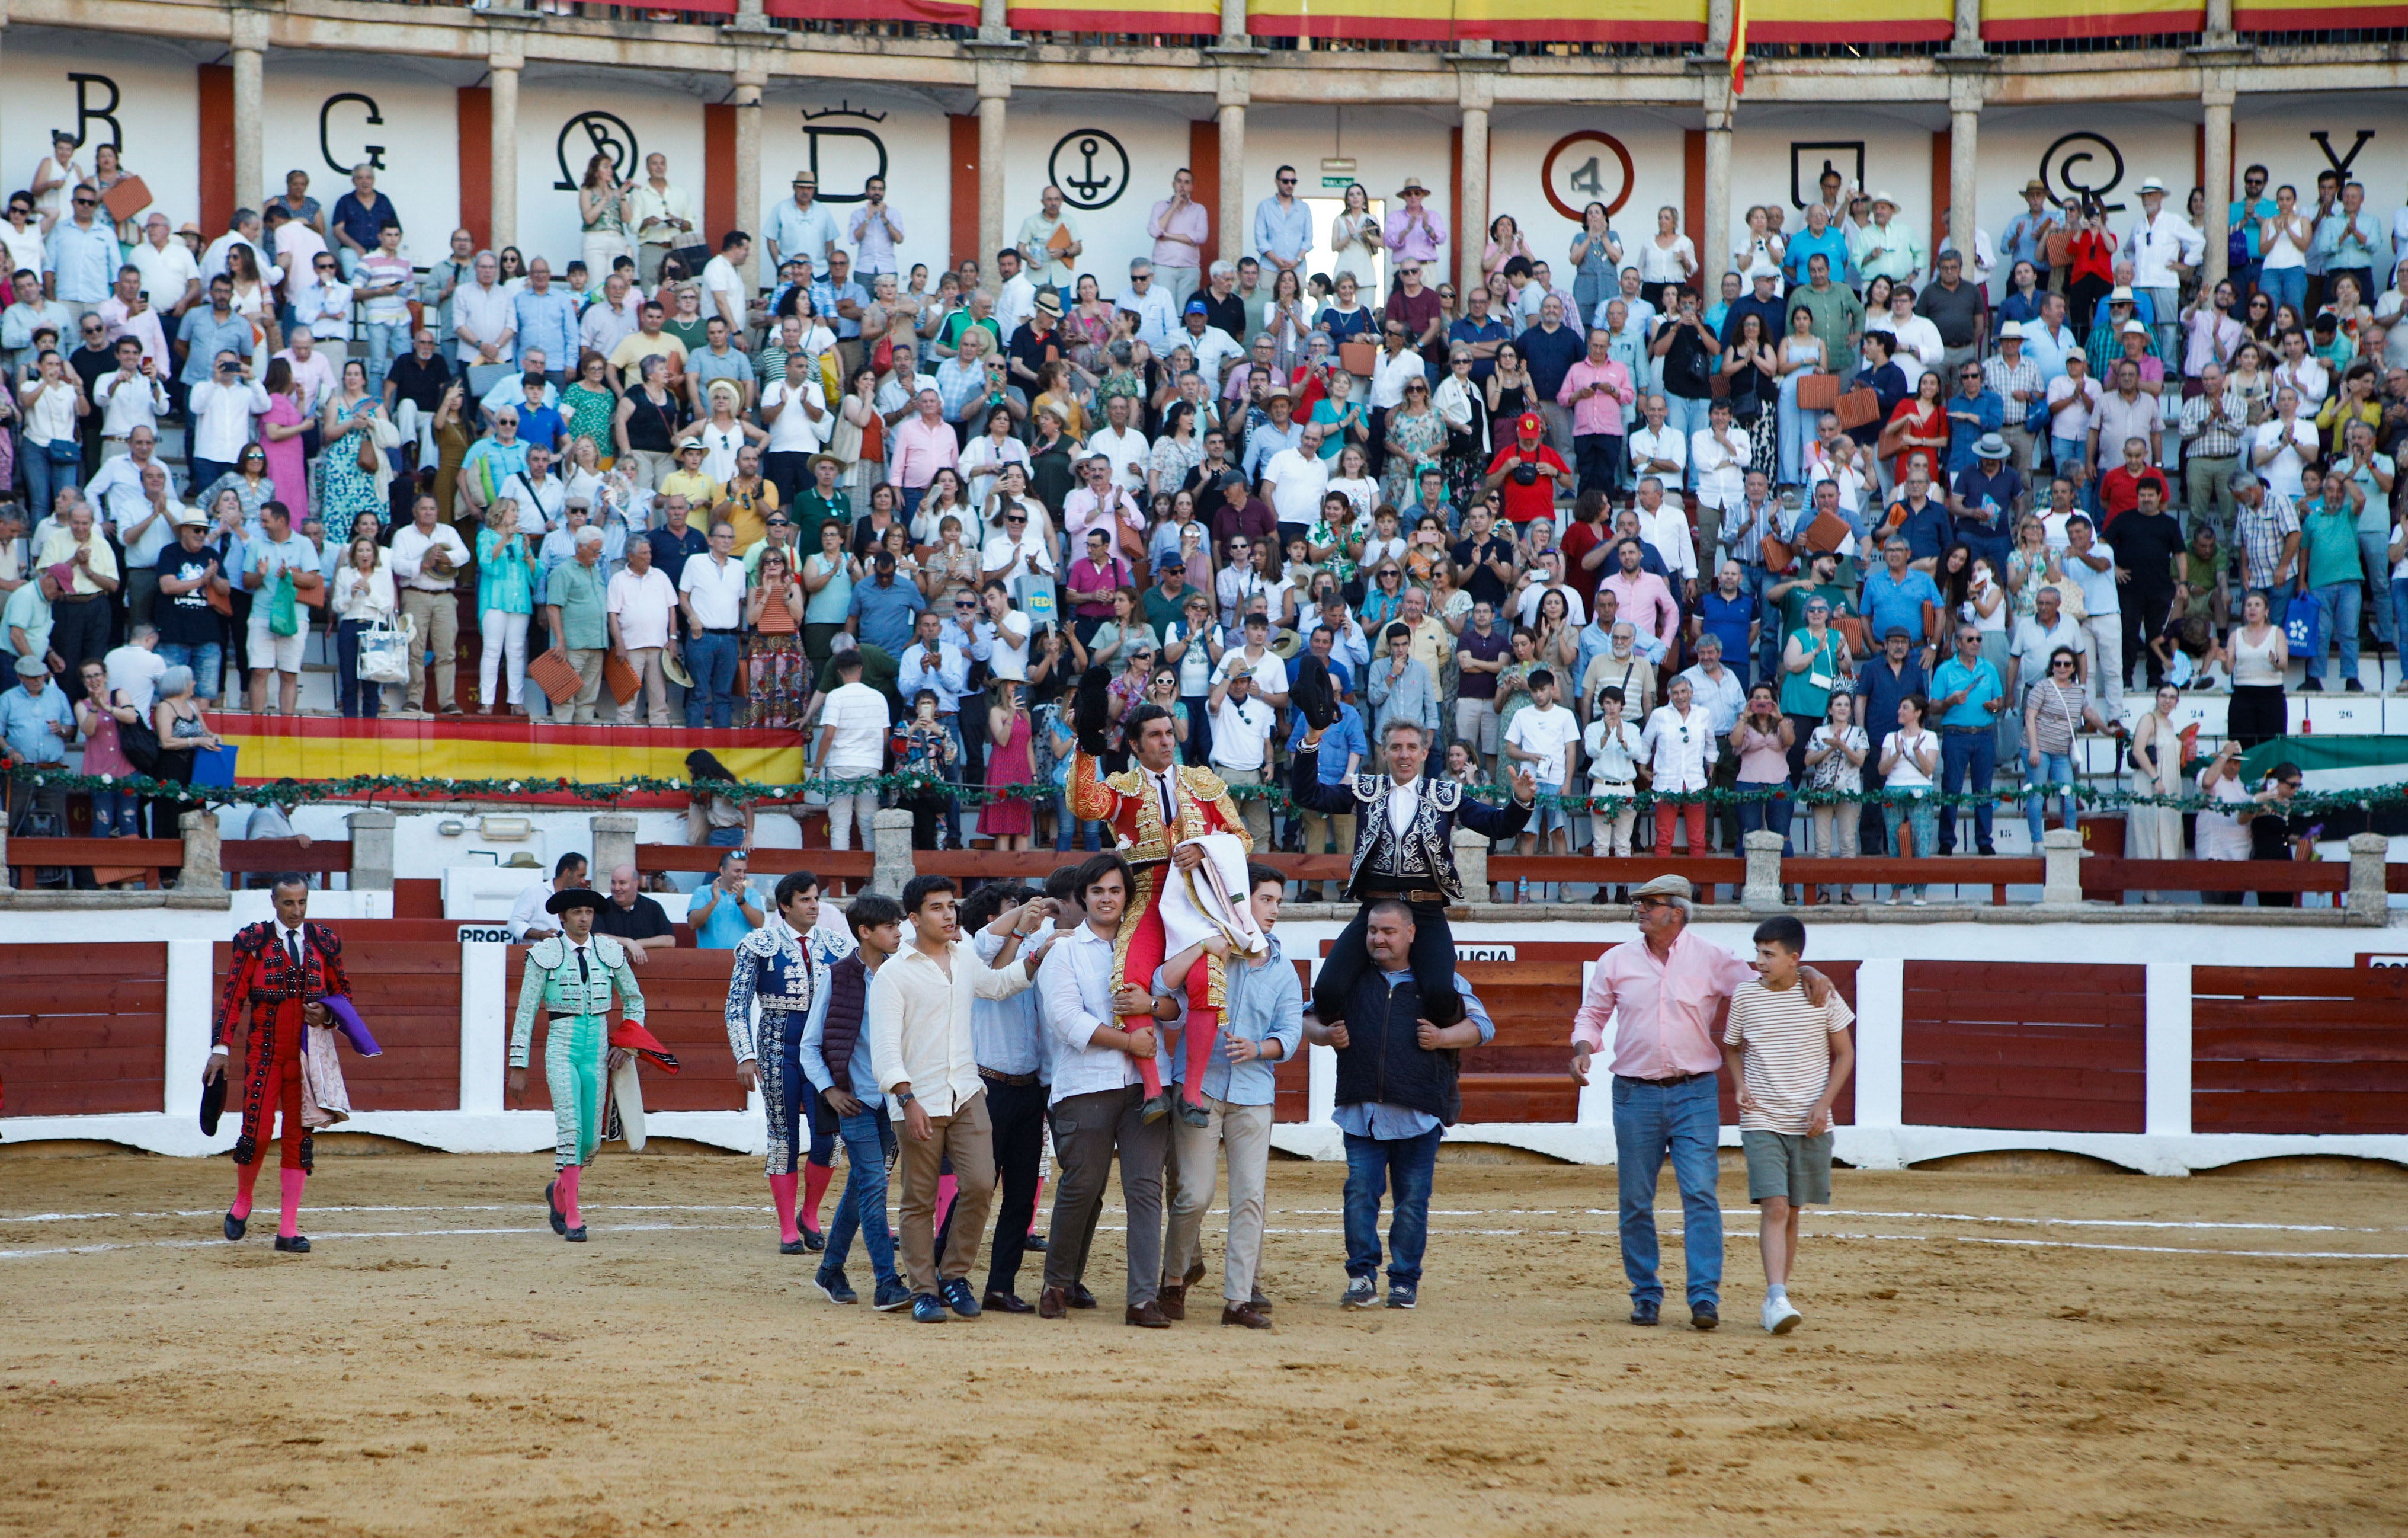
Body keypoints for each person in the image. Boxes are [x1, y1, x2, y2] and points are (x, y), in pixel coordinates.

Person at [1571, 873, 1831, 1328]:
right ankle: (1646, 1293)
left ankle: (1704, 1297)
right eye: (1640, 903)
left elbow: (1767, 973)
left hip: (1694, 1092)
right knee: (1635, 1197)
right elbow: (1593, 1013)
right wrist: (1582, 1049)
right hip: (1634, 1093)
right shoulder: (1615, 961)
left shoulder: (1712, 958)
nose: (1640, 909)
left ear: (1677, 911)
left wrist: (1807, 969)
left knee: (1699, 1193)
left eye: (1649, 903)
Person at [1064, 686, 1254, 1126]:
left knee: (1207, 977)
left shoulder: (1204, 783)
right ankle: (1153, 1090)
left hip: (1199, 902)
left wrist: (1206, 850)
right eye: (1155, 735)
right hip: (1147, 896)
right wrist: (1087, 748)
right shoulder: (1122, 788)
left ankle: (1191, 1095)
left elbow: (1242, 839)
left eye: (1170, 733)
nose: (1167, 741)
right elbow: (1083, 803)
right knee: (1128, 979)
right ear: (1134, 744)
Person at [867, 873, 1046, 1323]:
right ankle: (924, 1289)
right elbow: (886, 1049)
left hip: (966, 1091)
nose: (949, 914)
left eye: (951, 905)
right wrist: (906, 1099)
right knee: (919, 1198)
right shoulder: (893, 974)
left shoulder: (964, 957)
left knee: (982, 1182)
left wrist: (1035, 959)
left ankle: (954, 1275)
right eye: (937, 907)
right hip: (919, 1098)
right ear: (913, 917)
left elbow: (996, 986)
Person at [1303, 899, 1493, 1312]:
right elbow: (1307, 1020)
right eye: (1372, 930)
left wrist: (1443, 1038)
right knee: (1359, 1194)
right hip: (1362, 1110)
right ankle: (1361, 1276)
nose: (1378, 938)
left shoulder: (1441, 982)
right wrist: (1325, 1033)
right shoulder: (1351, 978)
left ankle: (1405, 1279)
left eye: (1389, 931)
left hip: (1418, 1112)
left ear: (1411, 933)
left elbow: (1483, 1026)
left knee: (1412, 1202)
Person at [1720, 913, 1856, 1336]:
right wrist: (1741, 1085)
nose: (1759, 961)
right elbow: (1732, 1048)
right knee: (1776, 1205)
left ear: (1794, 958)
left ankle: (1775, 1296)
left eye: (1768, 954)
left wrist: (1824, 1104)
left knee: (1792, 1210)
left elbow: (1845, 1054)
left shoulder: (1821, 994)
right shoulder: (1745, 996)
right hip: (1760, 1115)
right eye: (1758, 952)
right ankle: (1777, 1296)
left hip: (1809, 1117)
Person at [204, 874, 356, 1254]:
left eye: (302, 903)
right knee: (255, 1132)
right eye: (289, 903)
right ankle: (243, 1202)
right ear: (275, 902)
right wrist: (221, 1048)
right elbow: (233, 997)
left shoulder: (323, 943)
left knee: (298, 1138)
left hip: (306, 1057)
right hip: (264, 1053)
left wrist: (327, 1013)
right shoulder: (254, 943)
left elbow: (343, 996)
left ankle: (288, 1229)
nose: (296, 911)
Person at [508, 886, 648, 1245]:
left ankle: (559, 1191)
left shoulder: (610, 951)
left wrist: (628, 1047)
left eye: (588, 912)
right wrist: (518, 1065)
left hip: (598, 1048)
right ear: (563, 918)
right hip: (561, 1046)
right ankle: (573, 1214)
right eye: (577, 913)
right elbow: (526, 1011)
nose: (584, 918)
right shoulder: (544, 954)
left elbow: (634, 1001)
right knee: (570, 1131)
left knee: (589, 1140)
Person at [798, 891, 910, 1310]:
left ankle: (830, 1269)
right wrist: (829, 1089)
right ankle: (886, 1281)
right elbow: (810, 1045)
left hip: (892, 1101)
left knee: (863, 1185)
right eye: (890, 926)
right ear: (866, 932)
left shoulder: (904, 971)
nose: (899, 933)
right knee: (875, 1185)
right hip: (856, 1100)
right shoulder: (838, 975)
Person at [725, 872, 838, 1255]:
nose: (814, 905)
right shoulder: (759, 944)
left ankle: (809, 1213)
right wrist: (746, 1054)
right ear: (785, 905)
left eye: (816, 898)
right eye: (805, 899)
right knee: (783, 1136)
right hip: (777, 1049)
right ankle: (788, 1227)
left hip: (823, 1053)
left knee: (829, 1138)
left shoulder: (838, 945)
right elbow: (736, 1006)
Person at [593, 863, 676, 965]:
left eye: (622, 883)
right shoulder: (602, 907)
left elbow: (670, 940)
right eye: (614, 883)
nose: (616, 888)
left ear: (636, 884)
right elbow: (597, 936)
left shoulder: (653, 907)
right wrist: (628, 942)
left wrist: (638, 944)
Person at [688, 848, 762, 948]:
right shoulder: (702, 891)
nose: (742, 876)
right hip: (708, 959)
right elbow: (693, 924)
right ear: (722, 871)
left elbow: (759, 924)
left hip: (742, 960)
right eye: (737, 871)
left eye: (745, 872)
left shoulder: (752, 893)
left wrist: (742, 902)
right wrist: (714, 901)